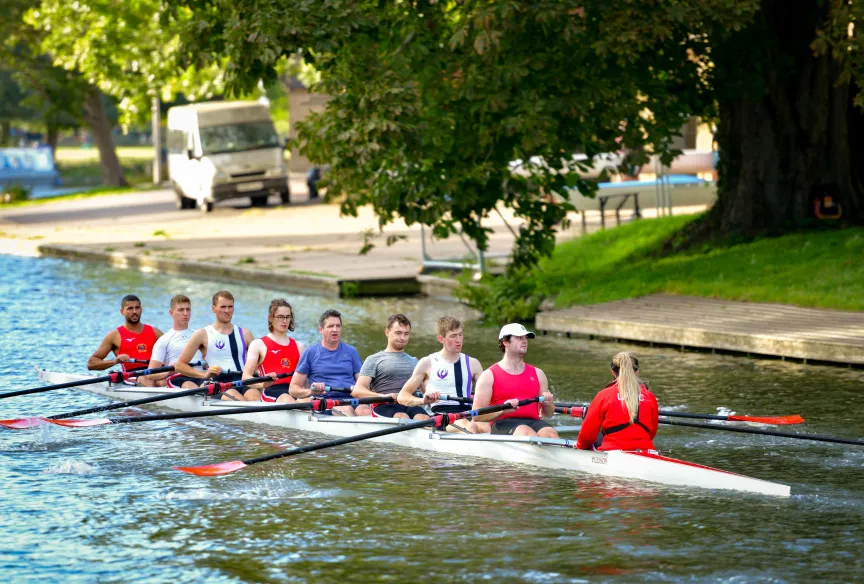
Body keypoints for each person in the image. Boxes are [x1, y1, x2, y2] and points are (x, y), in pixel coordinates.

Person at [397, 316, 483, 433]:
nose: (458, 340)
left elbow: (490, 394)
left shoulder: (473, 363)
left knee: (487, 426)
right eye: (453, 336)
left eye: (460, 334)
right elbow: (402, 396)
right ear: (440, 339)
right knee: (471, 427)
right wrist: (423, 401)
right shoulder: (427, 363)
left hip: (468, 414)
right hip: (442, 417)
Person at [471, 323, 557, 438]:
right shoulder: (488, 376)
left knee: (551, 434)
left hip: (533, 422)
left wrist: (548, 404)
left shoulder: (538, 374)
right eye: (519, 338)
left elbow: (548, 414)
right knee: (526, 433)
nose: (525, 341)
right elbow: (476, 415)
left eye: (526, 338)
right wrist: (503, 410)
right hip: (503, 423)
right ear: (505, 342)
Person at [175, 290, 256, 401]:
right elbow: (179, 365)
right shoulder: (202, 334)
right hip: (217, 383)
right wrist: (204, 375)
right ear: (214, 309)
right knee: (236, 397)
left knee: (254, 396)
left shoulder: (245, 334)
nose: (227, 311)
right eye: (223, 307)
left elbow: (260, 363)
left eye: (230, 307)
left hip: (242, 380)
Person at [289, 309, 367, 416]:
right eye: (330, 326)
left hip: (351, 398)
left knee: (365, 410)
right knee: (346, 410)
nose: (335, 330)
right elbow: (293, 389)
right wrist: (310, 392)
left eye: (338, 326)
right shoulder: (310, 352)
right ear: (321, 329)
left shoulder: (351, 351)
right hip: (324, 401)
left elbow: (363, 384)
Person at [576, 352, 659, 452]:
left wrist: (580, 447)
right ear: (637, 372)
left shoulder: (604, 395)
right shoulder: (650, 397)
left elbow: (587, 434)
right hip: (647, 452)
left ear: (613, 372)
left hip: (612, 451)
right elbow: (651, 433)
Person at [351, 314, 428, 420]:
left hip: (410, 404)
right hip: (384, 405)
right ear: (387, 332)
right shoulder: (374, 359)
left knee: (423, 418)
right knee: (402, 417)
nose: (402, 338)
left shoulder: (415, 361)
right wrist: (382, 396)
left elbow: (426, 390)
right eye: (398, 333)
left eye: (406, 334)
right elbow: (357, 391)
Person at [242, 299, 305, 403]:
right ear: (270, 318)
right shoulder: (258, 344)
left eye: (287, 317)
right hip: (272, 392)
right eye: (280, 317)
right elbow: (245, 377)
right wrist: (263, 384)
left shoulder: (300, 346)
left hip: (294, 392)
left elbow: (305, 380)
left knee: (308, 400)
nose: (284, 321)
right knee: (287, 398)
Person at [87, 295, 163, 376]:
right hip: (132, 376)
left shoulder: (155, 332)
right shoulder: (114, 336)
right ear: (122, 312)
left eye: (137, 308)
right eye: (130, 308)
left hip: (156, 373)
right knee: (148, 380)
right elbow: (91, 363)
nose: (134, 311)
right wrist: (115, 361)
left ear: (141, 310)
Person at [140, 294, 205, 388]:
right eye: (181, 310)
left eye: (188, 309)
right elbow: (150, 374)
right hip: (178, 378)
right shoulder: (164, 340)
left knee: (211, 386)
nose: (185, 313)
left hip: (200, 375)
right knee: (189, 385)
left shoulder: (199, 335)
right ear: (171, 313)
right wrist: (167, 373)